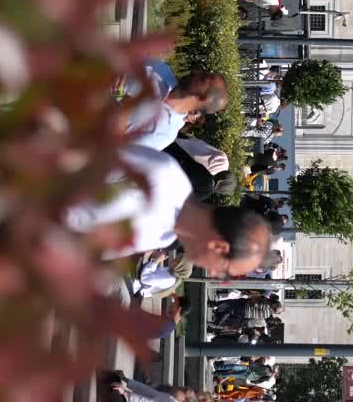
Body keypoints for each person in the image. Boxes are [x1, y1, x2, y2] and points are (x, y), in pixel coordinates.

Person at [66, 146, 273, 277]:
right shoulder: (164, 176)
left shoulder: (164, 238)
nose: (214, 273)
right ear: (219, 246)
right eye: (223, 271)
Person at [124, 67, 229, 151]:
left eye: (202, 78)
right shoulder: (162, 69)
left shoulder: (163, 133)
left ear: (204, 98)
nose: (195, 72)